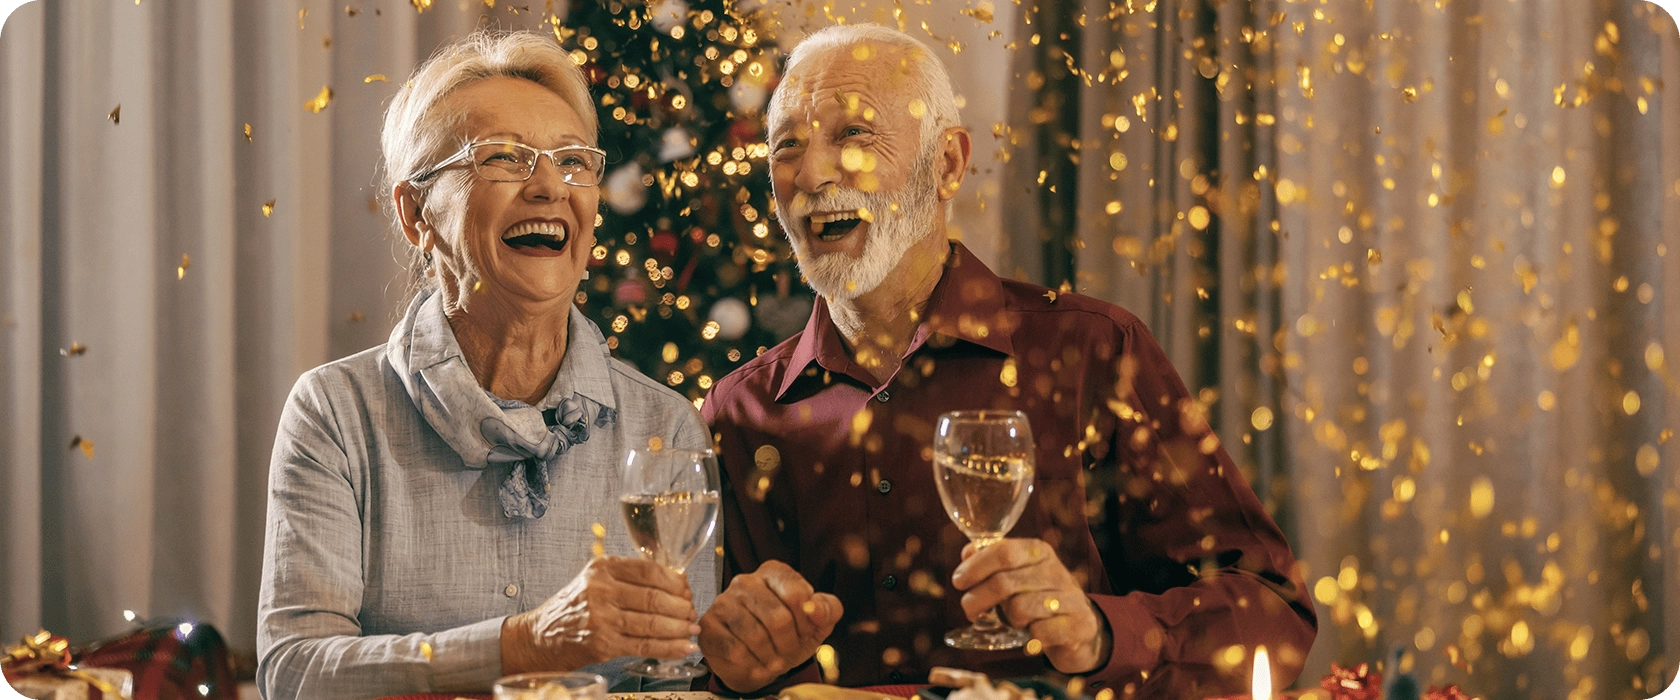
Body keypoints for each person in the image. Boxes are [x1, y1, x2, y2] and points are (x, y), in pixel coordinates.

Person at [697, 23, 1316, 699]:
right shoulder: (739, 411)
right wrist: (735, 670)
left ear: (948, 165)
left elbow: (1272, 609)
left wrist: (1102, 634)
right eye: (787, 147)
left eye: (854, 135)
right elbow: (701, 666)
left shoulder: (1092, 353)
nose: (811, 174)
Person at [257, 31, 713, 699]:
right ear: (416, 214)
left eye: (572, 160)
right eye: (505, 157)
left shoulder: (665, 429)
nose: (551, 186)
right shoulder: (335, 413)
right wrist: (524, 644)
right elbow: (296, 672)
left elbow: (680, 678)